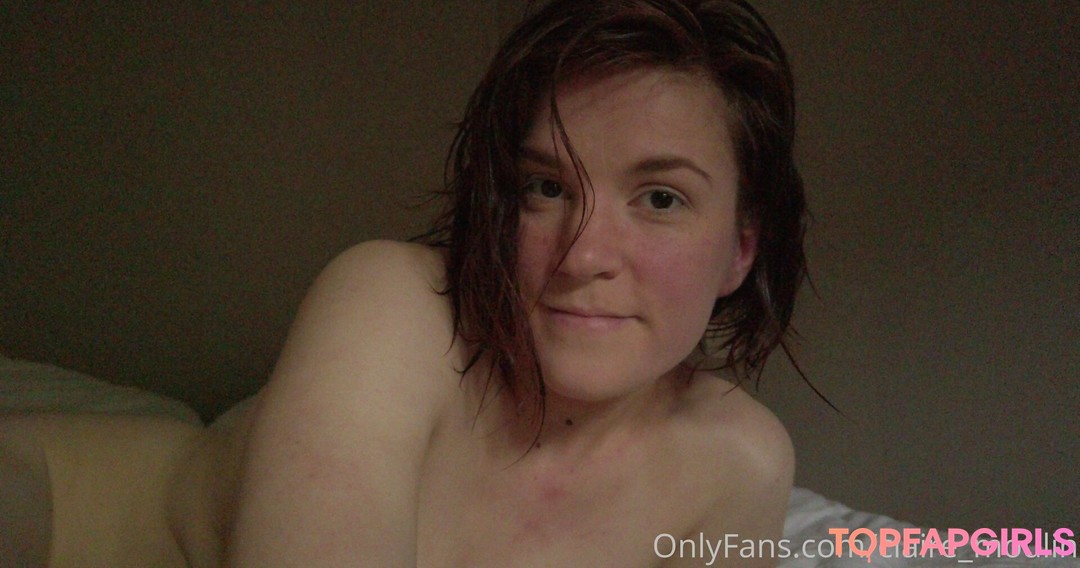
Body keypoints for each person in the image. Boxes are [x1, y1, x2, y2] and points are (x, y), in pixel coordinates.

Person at [0, 0, 807, 566]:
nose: (581, 256)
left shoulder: (740, 465)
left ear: (740, 251)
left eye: (661, 199)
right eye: (546, 188)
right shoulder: (395, 303)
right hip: (64, 505)